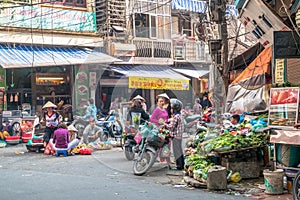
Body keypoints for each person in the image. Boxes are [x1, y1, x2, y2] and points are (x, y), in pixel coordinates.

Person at [164, 98, 185, 170]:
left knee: (176, 152)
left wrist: (164, 124)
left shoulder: (176, 117)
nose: (170, 110)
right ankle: (182, 165)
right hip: (180, 136)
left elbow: (171, 127)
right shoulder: (180, 115)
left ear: (174, 109)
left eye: (171, 108)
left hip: (175, 136)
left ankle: (179, 166)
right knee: (180, 151)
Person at [150, 96, 171, 164]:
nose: (162, 102)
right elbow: (152, 119)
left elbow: (167, 118)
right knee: (162, 143)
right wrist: (158, 121)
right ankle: (162, 159)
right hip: (160, 129)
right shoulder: (157, 110)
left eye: (162, 101)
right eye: (160, 101)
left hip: (166, 128)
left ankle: (168, 159)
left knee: (168, 144)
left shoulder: (165, 110)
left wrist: (169, 120)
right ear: (157, 103)